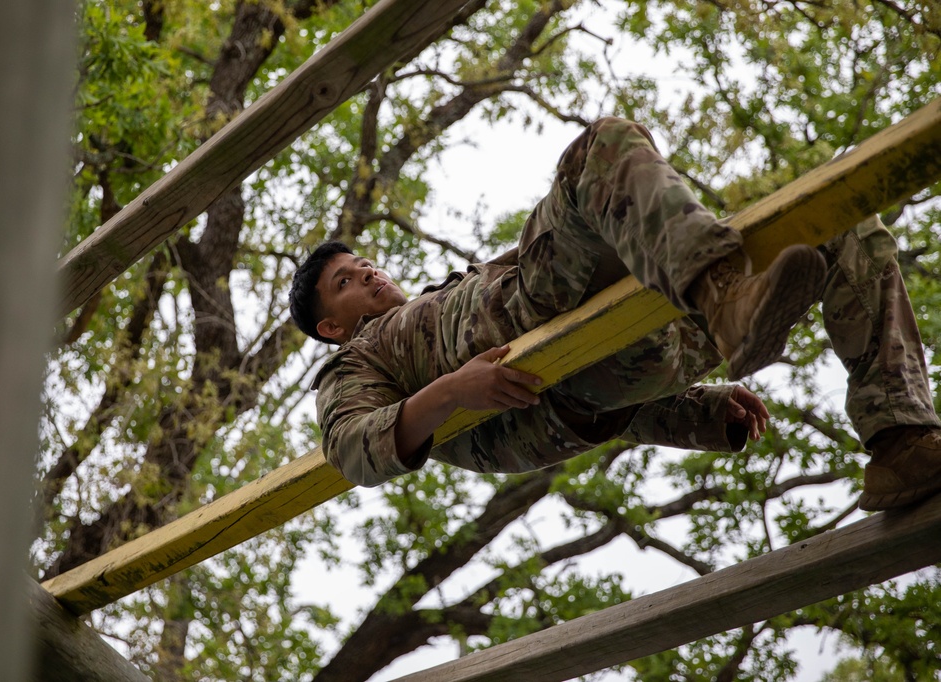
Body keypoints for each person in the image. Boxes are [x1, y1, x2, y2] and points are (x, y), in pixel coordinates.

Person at [289, 117, 941, 511]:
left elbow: (612, 389)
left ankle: (899, 438)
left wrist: (700, 414)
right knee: (599, 147)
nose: (369, 272)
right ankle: (722, 297)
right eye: (346, 281)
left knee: (841, 217)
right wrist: (452, 391)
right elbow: (353, 451)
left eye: (365, 262)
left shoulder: (451, 288)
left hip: (639, 333)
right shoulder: (359, 361)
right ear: (330, 327)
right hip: (538, 336)